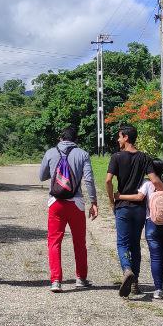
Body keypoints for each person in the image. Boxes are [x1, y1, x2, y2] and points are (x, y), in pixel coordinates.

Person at [37, 125, 98, 292]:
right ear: (75, 140)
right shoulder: (83, 154)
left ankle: (56, 281)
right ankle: (81, 278)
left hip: (56, 203)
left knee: (54, 241)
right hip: (76, 203)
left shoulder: (50, 152)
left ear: (60, 138)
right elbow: (88, 180)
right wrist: (93, 202)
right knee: (79, 241)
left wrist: (55, 170)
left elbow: (41, 176)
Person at [105, 124, 156, 298]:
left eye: (119, 136)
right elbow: (155, 180)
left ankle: (127, 270)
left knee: (122, 243)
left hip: (123, 208)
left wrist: (113, 200)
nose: (118, 140)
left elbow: (108, 181)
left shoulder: (116, 157)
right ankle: (135, 284)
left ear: (126, 137)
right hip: (139, 209)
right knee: (135, 244)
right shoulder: (144, 158)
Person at [117, 157, 163, 299]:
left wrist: (119, 196)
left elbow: (139, 198)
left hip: (152, 223)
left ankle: (158, 290)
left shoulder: (147, 183)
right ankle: (160, 285)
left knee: (155, 256)